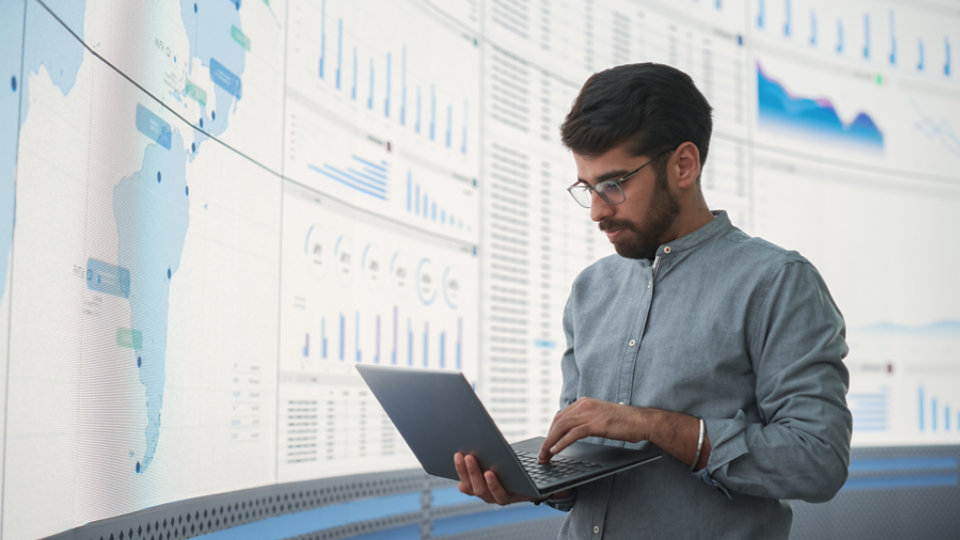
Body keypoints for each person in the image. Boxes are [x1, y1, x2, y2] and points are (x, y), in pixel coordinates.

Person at [453, 63, 852, 539]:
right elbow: (582, 455)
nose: (598, 210)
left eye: (614, 184)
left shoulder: (777, 283)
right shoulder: (589, 290)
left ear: (684, 165)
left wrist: (652, 425)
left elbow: (818, 460)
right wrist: (536, 482)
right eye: (588, 188)